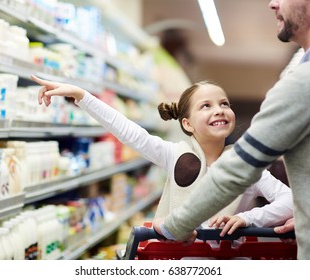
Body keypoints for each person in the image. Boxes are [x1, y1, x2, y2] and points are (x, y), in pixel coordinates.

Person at [154, 0, 310, 260]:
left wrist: (173, 226)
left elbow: (238, 170)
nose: (272, 4)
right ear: (186, 123)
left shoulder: (305, 82)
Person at [31, 76, 293, 236]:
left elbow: (291, 201)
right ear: (187, 124)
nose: (220, 110)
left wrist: (246, 218)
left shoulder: (246, 166)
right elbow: (130, 133)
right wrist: (82, 96)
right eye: (206, 106)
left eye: (224, 103)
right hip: (178, 262)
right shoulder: (173, 154)